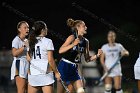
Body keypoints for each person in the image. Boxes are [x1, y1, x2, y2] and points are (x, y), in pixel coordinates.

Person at [57, 18, 102, 93]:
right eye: (84, 26)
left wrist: (97, 55)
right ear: (78, 27)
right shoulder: (72, 37)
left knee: (81, 90)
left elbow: (87, 59)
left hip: (74, 68)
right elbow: (60, 50)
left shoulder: (86, 42)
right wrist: (73, 44)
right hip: (64, 66)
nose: (86, 27)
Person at [27, 21, 61, 93]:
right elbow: (50, 59)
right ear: (42, 30)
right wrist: (56, 72)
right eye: (46, 28)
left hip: (33, 73)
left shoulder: (30, 41)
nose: (47, 30)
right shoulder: (48, 41)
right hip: (45, 74)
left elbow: (28, 58)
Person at [11, 21, 29, 93]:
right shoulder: (16, 40)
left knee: (27, 90)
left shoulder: (26, 40)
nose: (27, 29)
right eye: (25, 27)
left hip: (27, 64)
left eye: (28, 27)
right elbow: (14, 53)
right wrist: (24, 46)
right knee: (21, 90)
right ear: (19, 29)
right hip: (19, 64)